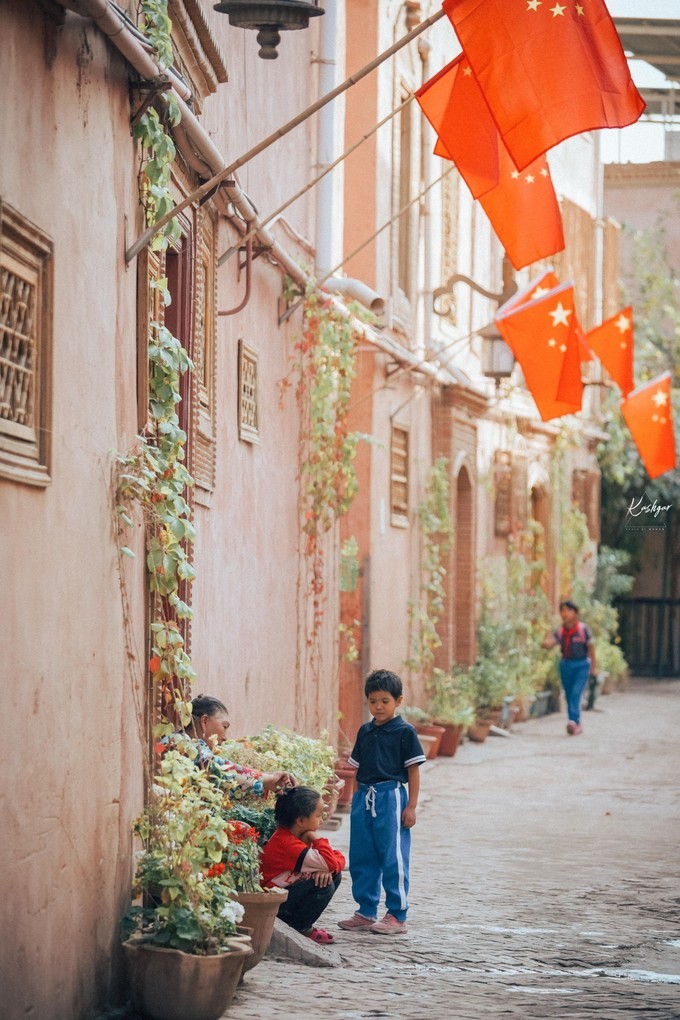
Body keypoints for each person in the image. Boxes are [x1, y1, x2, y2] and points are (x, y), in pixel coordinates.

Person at [338, 669, 426, 936]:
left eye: (385, 701)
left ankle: (397, 914)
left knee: (392, 855)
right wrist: (355, 802)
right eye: (373, 701)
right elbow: (356, 768)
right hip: (364, 797)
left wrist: (411, 806)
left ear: (398, 701)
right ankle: (365, 911)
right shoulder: (365, 732)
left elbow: (413, 771)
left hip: (391, 797)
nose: (378, 706)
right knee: (362, 855)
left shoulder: (405, 732)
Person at [260, 786, 345, 944]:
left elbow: (338, 858)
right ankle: (301, 927)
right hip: (273, 906)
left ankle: (300, 925)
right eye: (318, 815)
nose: (321, 819)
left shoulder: (298, 836)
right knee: (325, 885)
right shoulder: (287, 844)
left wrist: (325, 868)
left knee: (333, 875)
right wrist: (315, 837)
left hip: (286, 896)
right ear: (300, 820)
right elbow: (331, 862)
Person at [167, 694, 297, 795]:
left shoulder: (187, 745)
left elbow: (224, 785)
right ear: (204, 721)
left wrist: (268, 783)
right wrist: (267, 779)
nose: (225, 737)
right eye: (224, 726)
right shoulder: (180, 744)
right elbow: (217, 766)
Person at [543, 601, 597, 736]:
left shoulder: (583, 629)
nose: (564, 613)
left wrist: (593, 668)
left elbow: (591, 648)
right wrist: (545, 642)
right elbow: (551, 644)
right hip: (566, 664)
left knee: (575, 693)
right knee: (568, 694)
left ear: (575, 613)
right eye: (562, 610)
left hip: (582, 665)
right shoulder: (560, 631)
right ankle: (577, 723)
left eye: (568, 610)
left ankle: (572, 721)